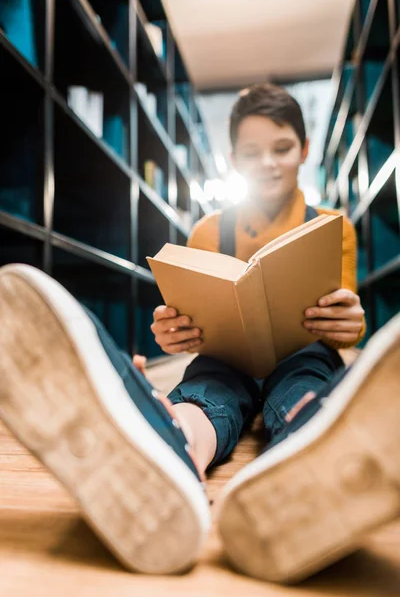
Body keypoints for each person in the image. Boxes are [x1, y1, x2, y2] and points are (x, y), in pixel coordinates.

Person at [0, 84, 399, 583]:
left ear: (304, 150)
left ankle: (308, 449)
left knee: (303, 380)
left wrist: (350, 323)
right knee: (210, 388)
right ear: (233, 159)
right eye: (252, 153)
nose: (268, 163)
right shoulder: (209, 231)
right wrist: (175, 334)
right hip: (225, 352)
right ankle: (179, 448)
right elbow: (188, 314)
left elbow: (342, 317)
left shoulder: (334, 227)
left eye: (281, 149)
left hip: (302, 350)